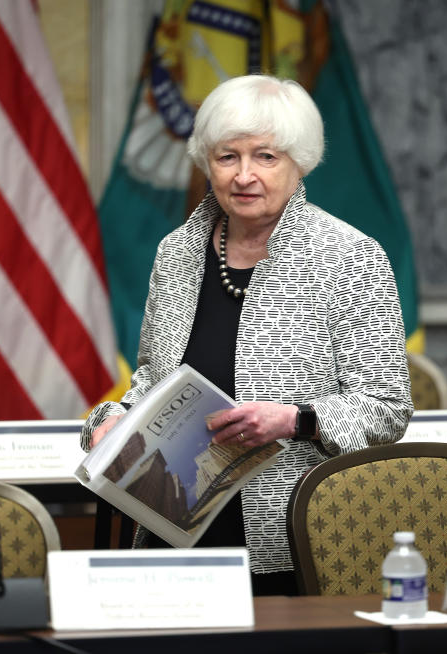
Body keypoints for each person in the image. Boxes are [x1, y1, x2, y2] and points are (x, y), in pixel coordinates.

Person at [82, 74, 412, 596]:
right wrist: (117, 419)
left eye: (266, 157)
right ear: (205, 162)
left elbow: (387, 407)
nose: (244, 175)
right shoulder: (176, 252)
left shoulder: (350, 257)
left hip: (292, 536)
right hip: (171, 528)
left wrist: (295, 421)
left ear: (298, 162)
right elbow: (151, 376)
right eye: (227, 157)